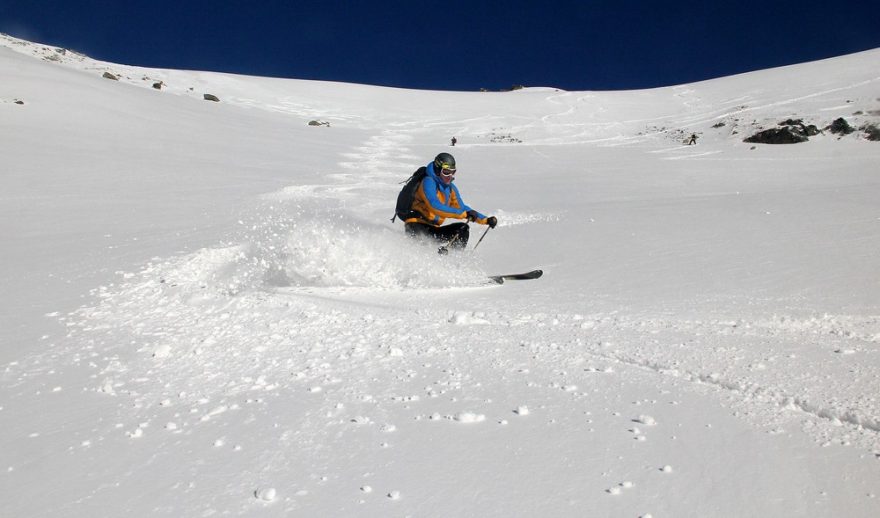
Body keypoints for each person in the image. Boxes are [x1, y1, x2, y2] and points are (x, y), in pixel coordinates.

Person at [403, 152, 497, 252]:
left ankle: (453, 260)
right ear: (438, 170)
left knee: (463, 228)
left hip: (433, 228)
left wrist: (485, 220)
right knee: (425, 248)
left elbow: (461, 208)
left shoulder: (450, 189)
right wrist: (462, 214)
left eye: (453, 172)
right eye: (446, 172)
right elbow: (434, 206)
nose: (450, 176)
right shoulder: (428, 182)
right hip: (416, 225)